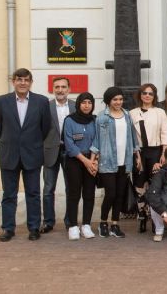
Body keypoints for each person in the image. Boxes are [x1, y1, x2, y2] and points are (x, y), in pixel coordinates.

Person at [0, 68, 51, 242]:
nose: (22, 83)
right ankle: (8, 229)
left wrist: (32, 143)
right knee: (9, 195)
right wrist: (9, 141)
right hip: (9, 155)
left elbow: (45, 128)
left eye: (26, 80)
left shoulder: (41, 101)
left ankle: (33, 228)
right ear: (13, 82)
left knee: (33, 193)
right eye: (19, 79)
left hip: (32, 154)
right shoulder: (2, 101)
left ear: (31, 82)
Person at [91, 87, 141, 239]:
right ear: (108, 101)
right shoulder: (101, 118)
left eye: (120, 99)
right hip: (107, 162)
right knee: (110, 194)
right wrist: (92, 161)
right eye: (115, 100)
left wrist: (137, 156)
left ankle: (115, 224)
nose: (118, 102)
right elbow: (96, 141)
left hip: (124, 162)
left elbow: (133, 138)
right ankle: (103, 223)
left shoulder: (126, 115)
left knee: (120, 195)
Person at [130, 83, 167, 233]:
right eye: (144, 93)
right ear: (140, 95)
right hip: (139, 153)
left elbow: (165, 132)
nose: (147, 96)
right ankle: (142, 216)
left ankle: (155, 218)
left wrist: (163, 154)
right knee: (140, 185)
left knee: (155, 185)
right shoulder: (132, 113)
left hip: (155, 152)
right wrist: (136, 155)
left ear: (154, 96)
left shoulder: (160, 112)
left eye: (150, 93)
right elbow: (131, 137)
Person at [41, 76, 75, 233]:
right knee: (48, 189)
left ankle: (70, 221)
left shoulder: (76, 106)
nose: (60, 90)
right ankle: (48, 222)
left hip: (71, 153)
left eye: (63, 87)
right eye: (57, 87)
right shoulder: (44, 107)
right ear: (53, 89)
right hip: (50, 152)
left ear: (69, 89)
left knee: (71, 189)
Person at [63, 92, 98, 240]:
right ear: (78, 104)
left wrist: (93, 160)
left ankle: (86, 225)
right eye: (84, 102)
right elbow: (69, 144)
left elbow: (98, 140)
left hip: (92, 159)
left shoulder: (95, 120)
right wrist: (86, 161)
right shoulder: (69, 120)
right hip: (75, 160)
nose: (87, 105)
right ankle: (72, 226)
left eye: (89, 103)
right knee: (74, 193)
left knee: (89, 194)